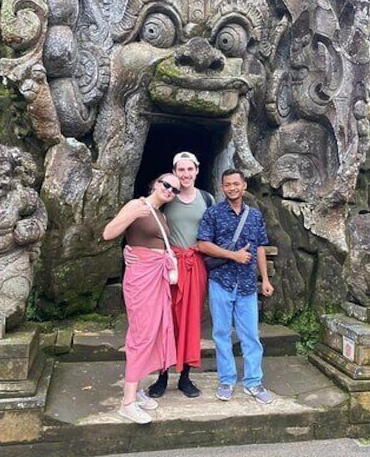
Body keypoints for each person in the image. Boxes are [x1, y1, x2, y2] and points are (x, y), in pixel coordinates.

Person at [102, 174, 181, 424]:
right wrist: (132, 216)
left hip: (157, 278)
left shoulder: (161, 214)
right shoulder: (137, 205)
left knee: (156, 332)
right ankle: (127, 403)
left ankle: (136, 390)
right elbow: (109, 233)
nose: (169, 190)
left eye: (175, 189)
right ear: (155, 183)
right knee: (141, 335)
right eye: (166, 184)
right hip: (141, 278)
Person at [197, 168, 275, 404]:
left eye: (235, 184)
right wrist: (233, 256)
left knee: (250, 334)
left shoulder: (254, 216)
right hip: (221, 281)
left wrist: (266, 279)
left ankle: (253, 382)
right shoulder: (213, 213)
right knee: (221, 333)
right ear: (222, 188)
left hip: (247, 284)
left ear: (244, 186)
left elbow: (260, 246)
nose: (232, 188)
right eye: (227, 184)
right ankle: (227, 380)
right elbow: (203, 245)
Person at [147, 151, 214, 399]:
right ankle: (162, 375)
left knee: (190, 321)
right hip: (169, 265)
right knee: (165, 321)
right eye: (180, 170)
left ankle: (185, 376)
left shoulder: (206, 199)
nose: (185, 174)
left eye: (190, 169)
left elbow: (214, 231)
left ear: (197, 170)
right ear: (174, 172)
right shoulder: (167, 197)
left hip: (194, 264)